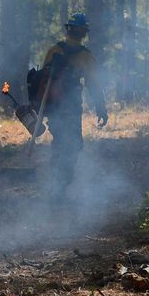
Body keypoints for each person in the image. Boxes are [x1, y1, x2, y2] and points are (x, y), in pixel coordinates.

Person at [38, 13, 107, 195]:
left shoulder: (54, 51)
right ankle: (60, 186)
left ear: (68, 29)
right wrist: (101, 108)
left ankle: (57, 185)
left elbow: (42, 80)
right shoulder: (86, 57)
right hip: (71, 107)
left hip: (53, 107)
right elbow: (93, 85)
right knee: (72, 145)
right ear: (83, 33)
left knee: (60, 142)